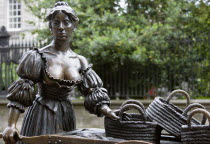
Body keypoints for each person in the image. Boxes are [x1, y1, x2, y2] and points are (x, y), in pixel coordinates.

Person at [2, 1, 118, 144]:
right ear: (50, 27)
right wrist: (10, 125)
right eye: (56, 23)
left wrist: (109, 112)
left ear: (74, 26)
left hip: (66, 116)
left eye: (66, 22)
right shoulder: (37, 56)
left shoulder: (80, 61)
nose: (61, 28)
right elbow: (20, 94)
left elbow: (93, 93)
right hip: (41, 115)